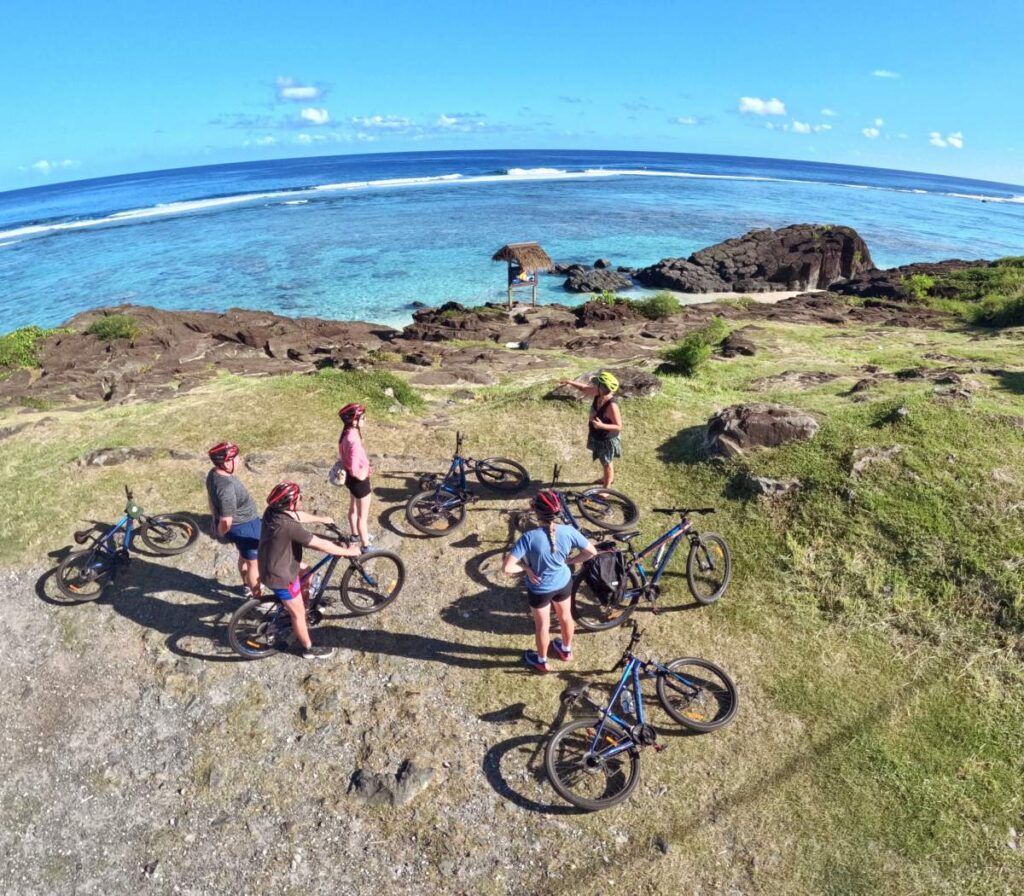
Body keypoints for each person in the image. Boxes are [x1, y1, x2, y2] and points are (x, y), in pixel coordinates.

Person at [257, 481, 361, 660]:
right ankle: (308, 648)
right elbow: (319, 544)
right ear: (290, 503)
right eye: (299, 498)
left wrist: (321, 519)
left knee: (308, 572)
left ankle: (301, 604)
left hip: (272, 562)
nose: (301, 499)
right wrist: (348, 551)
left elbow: (297, 516)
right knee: (298, 615)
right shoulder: (288, 526)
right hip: (281, 576)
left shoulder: (273, 511)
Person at [502, 490, 598, 673]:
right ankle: (566, 651)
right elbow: (591, 552)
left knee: (542, 626)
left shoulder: (529, 538)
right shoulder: (569, 531)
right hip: (563, 582)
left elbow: (507, 568)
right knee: (565, 617)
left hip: (540, 590)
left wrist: (527, 569)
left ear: (536, 513)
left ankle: (541, 661)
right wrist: (570, 561)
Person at [206, 441, 262, 598]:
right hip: (244, 527)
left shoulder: (213, 474)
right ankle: (257, 598)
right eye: (235, 457)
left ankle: (247, 585)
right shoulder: (227, 488)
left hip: (244, 524)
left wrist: (213, 517)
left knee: (244, 556)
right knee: (253, 563)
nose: (239, 460)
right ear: (226, 462)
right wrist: (221, 532)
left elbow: (211, 499)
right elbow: (226, 521)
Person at [557, 370, 623, 488]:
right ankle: (608, 478)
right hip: (598, 435)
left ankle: (606, 490)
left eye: (597, 383)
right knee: (605, 462)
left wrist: (602, 425)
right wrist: (569, 382)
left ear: (602, 388)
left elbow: (619, 426)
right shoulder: (599, 393)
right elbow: (584, 388)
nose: (594, 385)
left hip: (607, 440)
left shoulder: (611, 406)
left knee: (607, 464)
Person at [337, 403, 374, 551]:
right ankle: (366, 545)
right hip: (359, 482)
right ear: (354, 421)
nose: (365, 420)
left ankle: (354, 535)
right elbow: (354, 469)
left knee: (353, 508)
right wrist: (364, 472)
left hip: (350, 481)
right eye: (363, 418)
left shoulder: (345, 433)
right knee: (362, 516)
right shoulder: (354, 440)